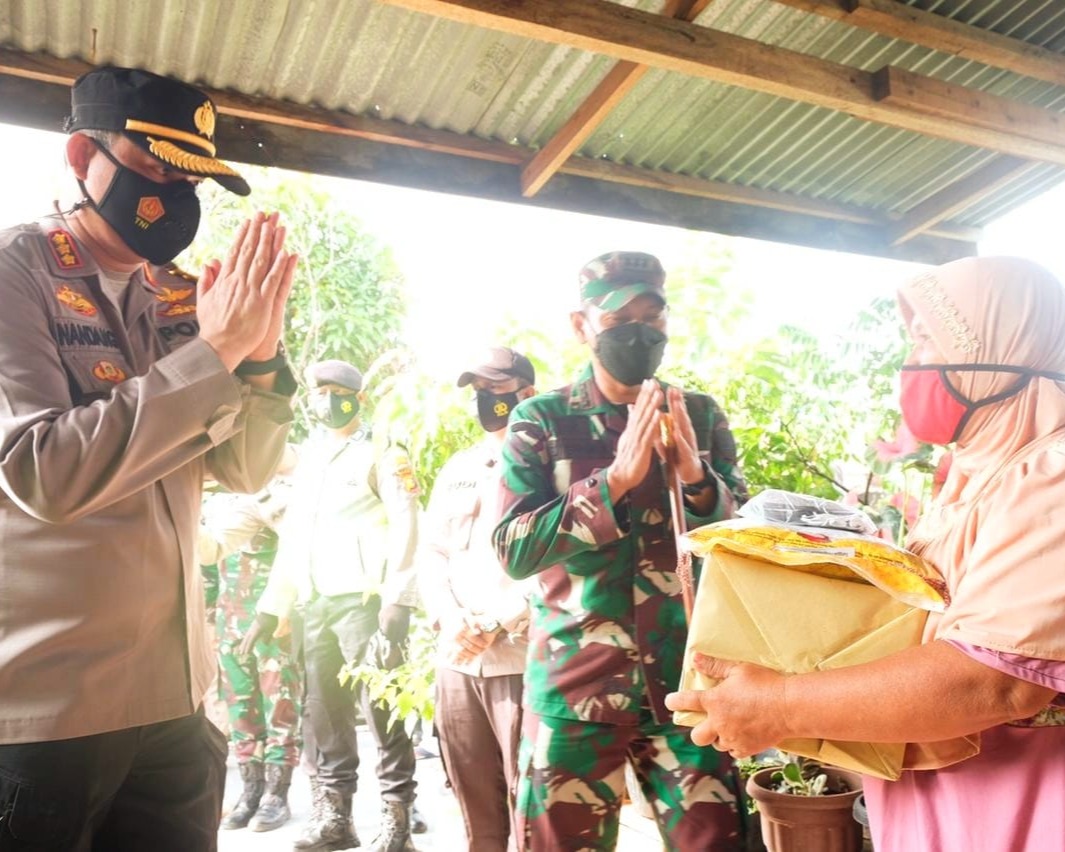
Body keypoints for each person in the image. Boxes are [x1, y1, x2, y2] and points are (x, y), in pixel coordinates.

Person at [666, 256, 1065, 852]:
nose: (913, 364)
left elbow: (994, 682)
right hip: (949, 808)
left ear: (1001, 342)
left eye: (928, 340)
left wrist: (780, 705)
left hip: (1024, 812)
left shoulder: (1050, 473)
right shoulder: (984, 468)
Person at [0, 65, 298, 850]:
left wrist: (259, 362)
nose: (172, 190)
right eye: (152, 164)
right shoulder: (15, 273)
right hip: (45, 716)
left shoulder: (180, 299)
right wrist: (218, 350)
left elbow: (245, 469)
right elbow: (42, 473)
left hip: (175, 705)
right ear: (79, 156)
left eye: (189, 175)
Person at [492, 252, 750, 850]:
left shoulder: (700, 416)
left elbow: (738, 539)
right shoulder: (543, 421)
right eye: (617, 318)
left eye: (651, 316)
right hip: (575, 692)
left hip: (687, 690)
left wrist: (696, 477)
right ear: (582, 327)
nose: (637, 331)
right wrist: (610, 486)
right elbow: (512, 548)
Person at [246, 359, 422, 852]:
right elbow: (293, 540)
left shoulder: (384, 451)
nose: (328, 398)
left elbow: (408, 524)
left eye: (337, 391)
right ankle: (336, 820)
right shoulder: (311, 463)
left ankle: (398, 822)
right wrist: (271, 607)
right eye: (319, 390)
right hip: (315, 605)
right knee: (323, 714)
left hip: (365, 604)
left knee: (382, 710)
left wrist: (398, 598)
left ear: (357, 398)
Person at [418, 346, 538, 852]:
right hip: (459, 664)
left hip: (521, 660)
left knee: (534, 810)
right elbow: (431, 552)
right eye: (479, 393)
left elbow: (571, 557)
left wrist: (498, 619)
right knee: (476, 817)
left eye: (496, 391)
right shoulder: (459, 468)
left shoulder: (556, 467)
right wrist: (450, 620)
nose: (486, 401)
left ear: (527, 395)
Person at [200, 473, 302, 833]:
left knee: (280, 707)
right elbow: (206, 567)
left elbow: (295, 551)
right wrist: (209, 615)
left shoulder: (273, 490)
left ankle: (277, 794)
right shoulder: (210, 498)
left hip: (271, 620)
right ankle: (250, 791)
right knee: (240, 708)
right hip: (230, 621)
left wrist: (284, 610)